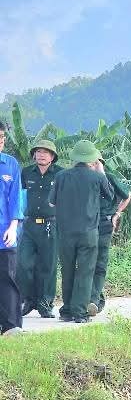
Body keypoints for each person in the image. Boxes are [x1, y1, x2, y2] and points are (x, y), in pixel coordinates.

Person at [49, 140, 114, 323]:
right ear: (92, 159)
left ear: (74, 157)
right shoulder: (97, 177)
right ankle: (80, 313)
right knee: (85, 271)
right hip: (88, 232)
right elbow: (110, 197)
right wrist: (100, 171)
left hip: (65, 232)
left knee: (68, 270)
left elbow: (51, 202)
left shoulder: (61, 176)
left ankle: (67, 310)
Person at [18, 138, 62, 319]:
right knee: (23, 264)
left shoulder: (61, 174)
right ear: (34, 154)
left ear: (52, 156)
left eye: (45, 152)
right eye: (38, 151)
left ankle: (45, 303)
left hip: (51, 225)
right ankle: (28, 300)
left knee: (48, 266)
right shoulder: (26, 172)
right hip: (28, 225)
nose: (41, 154)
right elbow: (19, 196)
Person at [91, 156, 131, 316]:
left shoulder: (110, 178)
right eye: (91, 163)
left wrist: (117, 214)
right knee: (87, 262)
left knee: (99, 262)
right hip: (87, 225)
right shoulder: (84, 179)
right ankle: (95, 298)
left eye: (96, 163)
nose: (93, 165)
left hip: (105, 223)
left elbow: (127, 195)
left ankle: (94, 300)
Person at [0, 122, 24, 336]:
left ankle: (10, 325)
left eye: (1, 138)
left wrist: (13, 226)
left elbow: (15, 197)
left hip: (5, 233)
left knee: (7, 277)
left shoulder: (10, 164)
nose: (0, 142)